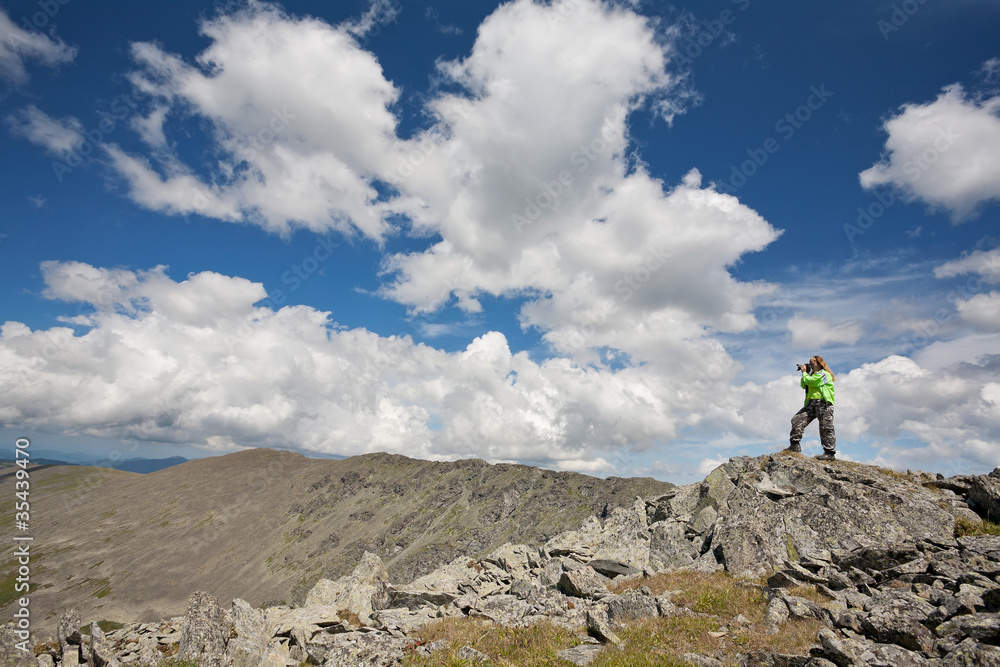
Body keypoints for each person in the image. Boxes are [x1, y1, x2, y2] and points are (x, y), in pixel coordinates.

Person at [784, 355, 836, 460]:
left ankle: (829, 453)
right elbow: (804, 384)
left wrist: (804, 373)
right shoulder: (812, 375)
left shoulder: (824, 374)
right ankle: (795, 445)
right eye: (810, 363)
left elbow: (812, 382)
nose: (812, 365)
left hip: (824, 403)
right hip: (811, 404)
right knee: (797, 420)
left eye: (814, 363)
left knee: (826, 427)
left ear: (820, 363)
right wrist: (806, 373)